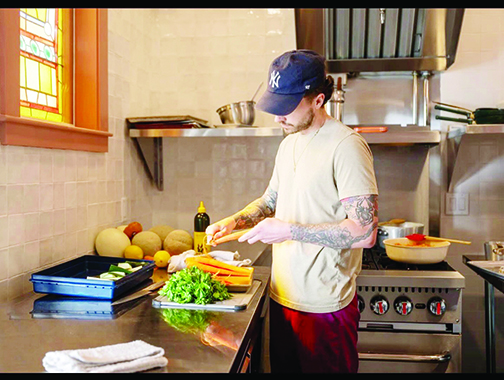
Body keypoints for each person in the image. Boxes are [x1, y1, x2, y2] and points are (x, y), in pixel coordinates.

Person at [205, 49, 379, 373]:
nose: (277, 118)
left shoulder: (347, 146)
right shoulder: (289, 142)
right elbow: (271, 201)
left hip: (326, 308)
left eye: (286, 108)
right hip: (282, 297)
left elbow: (365, 233)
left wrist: (288, 231)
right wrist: (233, 221)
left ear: (318, 99)